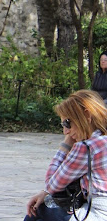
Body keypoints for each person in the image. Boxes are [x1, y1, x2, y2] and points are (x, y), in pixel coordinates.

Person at [25, 90, 107, 221]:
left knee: (37, 210)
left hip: (98, 213)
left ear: (86, 115)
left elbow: (51, 184)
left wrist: (65, 145)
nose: (65, 131)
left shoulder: (87, 147)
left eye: (67, 123)